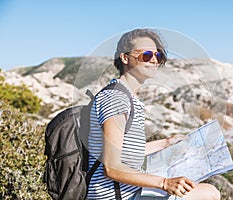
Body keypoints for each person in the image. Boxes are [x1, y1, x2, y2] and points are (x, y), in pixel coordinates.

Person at [87, 28, 221, 200]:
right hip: (116, 196)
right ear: (125, 57)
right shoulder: (116, 99)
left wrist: (166, 143)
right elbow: (111, 166)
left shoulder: (128, 97)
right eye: (146, 55)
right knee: (209, 193)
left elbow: (127, 151)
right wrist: (165, 183)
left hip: (127, 191)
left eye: (157, 56)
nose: (153, 60)